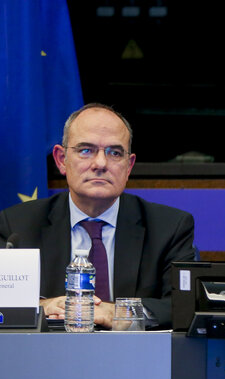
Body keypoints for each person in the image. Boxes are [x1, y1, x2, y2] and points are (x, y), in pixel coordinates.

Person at [0, 103, 195, 329]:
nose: (100, 164)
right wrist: (41, 306)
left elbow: (183, 305)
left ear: (128, 165)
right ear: (61, 159)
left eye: (114, 153)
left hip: (135, 358)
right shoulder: (17, 226)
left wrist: (119, 313)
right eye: (86, 150)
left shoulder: (169, 227)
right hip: (46, 357)